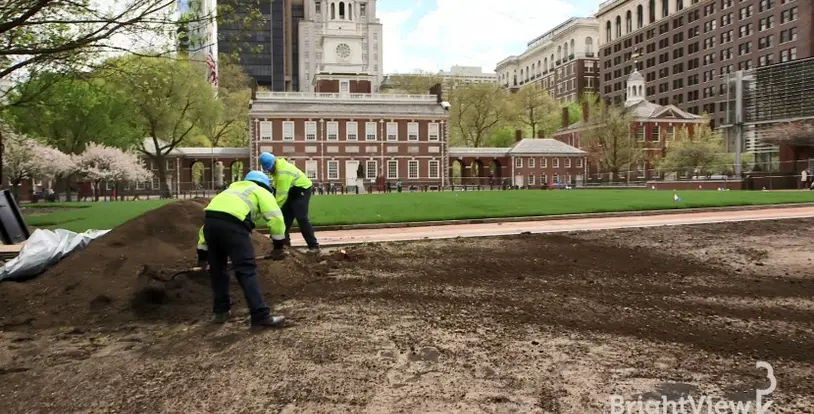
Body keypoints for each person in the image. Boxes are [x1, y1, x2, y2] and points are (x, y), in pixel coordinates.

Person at [195, 170, 288, 328]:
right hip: (234, 227)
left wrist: (202, 256)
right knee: (246, 270)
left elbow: (206, 229)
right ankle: (260, 316)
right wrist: (278, 246)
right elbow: (276, 218)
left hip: (211, 225)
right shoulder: (260, 191)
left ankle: (220, 312)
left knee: (217, 270)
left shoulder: (228, 192)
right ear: (265, 186)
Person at [258, 152, 320, 253]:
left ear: (274, 162)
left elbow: (281, 196)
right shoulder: (277, 169)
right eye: (267, 169)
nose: (269, 170)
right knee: (284, 218)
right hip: (290, 191)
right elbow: (277, 189)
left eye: (269, 168)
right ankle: (285, 245)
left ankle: (314, 246)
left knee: (301, 218)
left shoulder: (283, 172)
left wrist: (272, 210)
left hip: (301, 190)